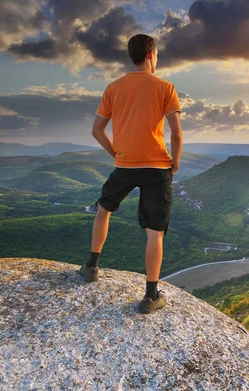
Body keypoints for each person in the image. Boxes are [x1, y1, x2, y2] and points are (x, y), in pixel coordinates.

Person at [80, 34, 183, 315]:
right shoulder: (165, 87)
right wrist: (175, 161)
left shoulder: (114, 88)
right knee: (155, 232)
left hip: (124, 166)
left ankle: (91, 267)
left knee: (104, 210)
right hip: (157, 168)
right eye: (157, 54)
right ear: (151, 54)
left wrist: (116, 154)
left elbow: (96, 130)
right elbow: (175, 131)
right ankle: (150, 296)